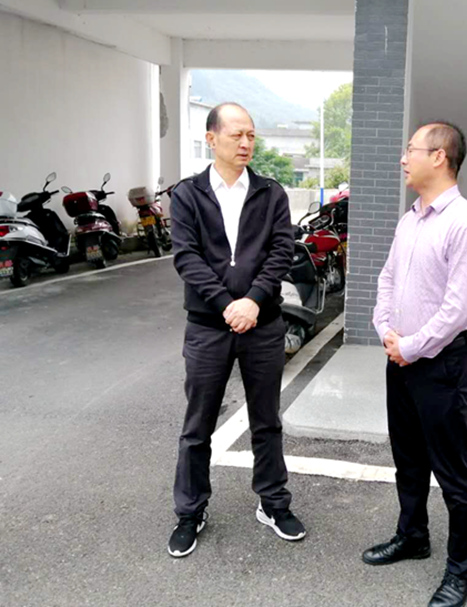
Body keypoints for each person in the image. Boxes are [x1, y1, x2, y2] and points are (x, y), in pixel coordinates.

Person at [365, 122, 467, 607]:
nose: (404, 158)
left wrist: (413, 346)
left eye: (411, 150)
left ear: (439, 156)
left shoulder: (466, 224)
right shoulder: (411, 219)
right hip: (400, 355)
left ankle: (462, 571)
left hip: (441, 362)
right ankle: (412, 536)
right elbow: (387, 279)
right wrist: (386, 329)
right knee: (408, 457)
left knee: (453, 469)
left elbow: (458, 309)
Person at [167, 102, 305, 558]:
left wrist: (253, 300)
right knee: (197, 426)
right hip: (208, 327)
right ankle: (190, 512)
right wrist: (227, 304)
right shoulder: (188, 194)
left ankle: (273, 503)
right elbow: (186, 257)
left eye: (251, 135)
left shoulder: (270, 193)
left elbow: (281, 251)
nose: (246, 143)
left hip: (262, 325)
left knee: (267, 421)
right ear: (212, 139)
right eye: (236, 135)